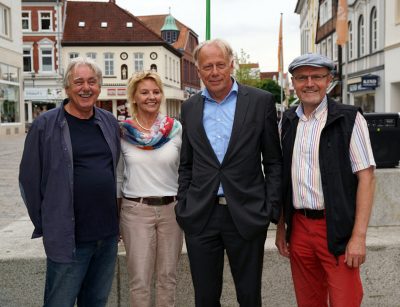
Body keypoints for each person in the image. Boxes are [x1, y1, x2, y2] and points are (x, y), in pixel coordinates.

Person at [175, 38, 282, 307]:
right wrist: (183, 204)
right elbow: (186, 163)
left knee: (249, 296)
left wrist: (270, 208)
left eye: (220, 64)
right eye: (207, 66)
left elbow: (273, 161)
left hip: (246, 214)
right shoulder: (189, 107)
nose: (214, 72)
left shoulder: (260, 102)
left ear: (231, 65)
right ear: (198, 71)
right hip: (201, 215)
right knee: (205, 298)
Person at [275, 53, 376, 307]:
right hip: (298, 227)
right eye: (302, 78)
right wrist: (281, 226)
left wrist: (359, 237)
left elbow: (367, 178)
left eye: (317, 76)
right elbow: (284, 178)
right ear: (294, 82)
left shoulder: (349, 118)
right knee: (308, 301)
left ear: (329, 80)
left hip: (337, 228)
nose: (309, 83)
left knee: (346, 300)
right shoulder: (287, 121)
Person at [19, 57, 121, 307]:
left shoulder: (108, 122)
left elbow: (116, 168)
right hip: (68, 238)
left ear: (99, 86)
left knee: (96, 302)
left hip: (106, 236)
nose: (86, 87)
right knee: (59, 302)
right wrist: (49, 223)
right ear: (67, 87)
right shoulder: (46, 125)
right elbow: (29, 181)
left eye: (92, 82)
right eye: (78, 82)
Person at [117, 71, 183, 307]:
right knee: (140, 281)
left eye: (156, 92)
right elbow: (117, 177)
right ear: (134, 97)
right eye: (144, 92)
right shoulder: (122, 132)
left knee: (168, 278)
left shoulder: (175, 129)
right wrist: (116, 216)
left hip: (171, 212)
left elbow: (186, 170)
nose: (151, 97)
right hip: (136, 211)